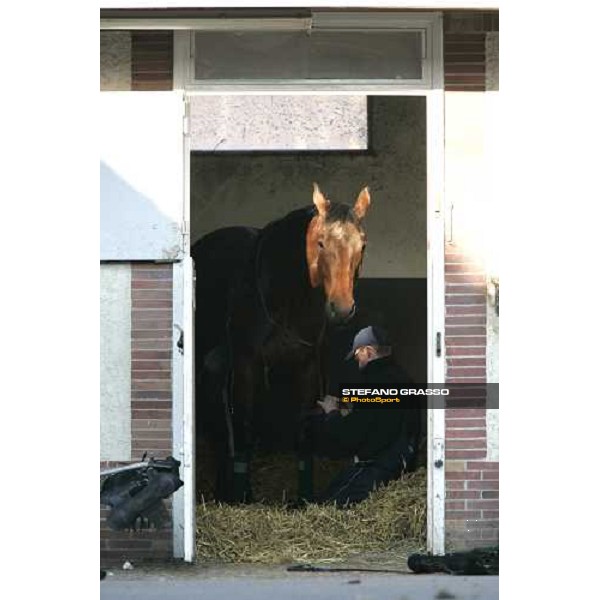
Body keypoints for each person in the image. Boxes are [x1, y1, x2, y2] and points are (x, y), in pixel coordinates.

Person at [313, 325, 422, 506]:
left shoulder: (376, 382)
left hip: (376, 470)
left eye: (358, 356)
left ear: (369, 352)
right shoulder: (403, 379)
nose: (358, 363)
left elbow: (352, 434)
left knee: (322, 507)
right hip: (400, 468)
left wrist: (332, 412)